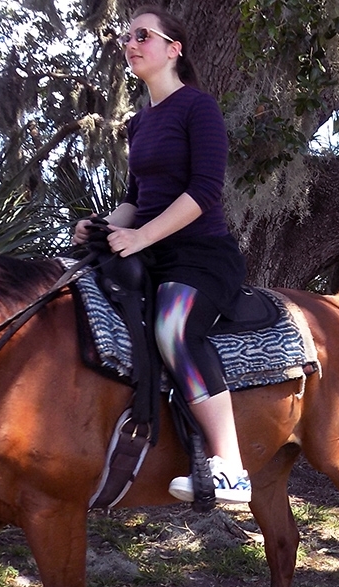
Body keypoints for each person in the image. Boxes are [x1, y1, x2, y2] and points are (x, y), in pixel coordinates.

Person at [71, 6, 251, 504]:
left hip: (202, 255)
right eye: (126, 36)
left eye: (143, 35)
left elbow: (205, 191)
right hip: (150, 251)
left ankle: (231, 467)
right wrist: (105, 226)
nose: (131, 43)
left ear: (174, 49)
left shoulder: (199, 108)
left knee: (173, 327)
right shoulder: (138, 124)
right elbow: (135, 197)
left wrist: (142, 237)